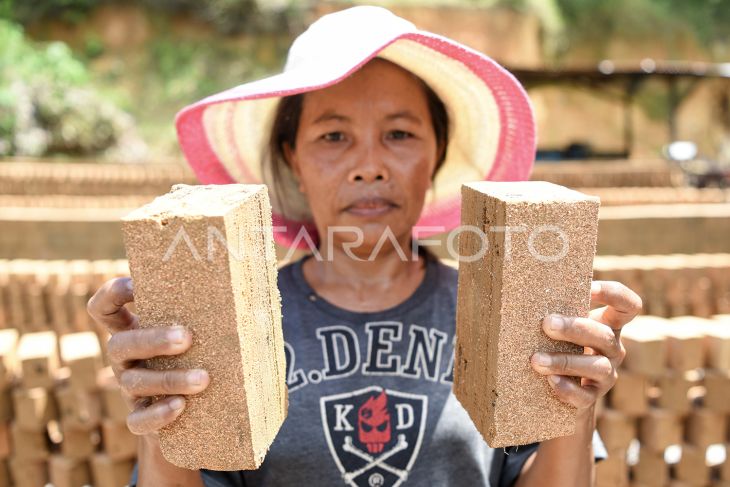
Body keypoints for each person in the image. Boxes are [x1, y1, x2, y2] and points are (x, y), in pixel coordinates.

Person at [87, 6, 641, 487]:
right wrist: (165, 413)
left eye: (399, 134)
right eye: (333, 136)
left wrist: (576, 403)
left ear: (438, 154)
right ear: (293, 160)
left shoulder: (505, 314)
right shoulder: (229, 321)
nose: (369, 166)